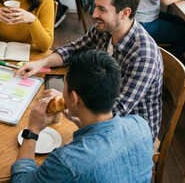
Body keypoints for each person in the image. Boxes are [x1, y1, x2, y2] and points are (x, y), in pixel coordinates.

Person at [16, 0, 163, 140]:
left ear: (125, 13)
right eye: (95, 7)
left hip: (131, 134)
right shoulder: (105, 29)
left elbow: (116, 112)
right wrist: (40, 63)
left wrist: (67, 101)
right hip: (99, 110)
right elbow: (73, 50)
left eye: (102, 9)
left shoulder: (144, 56)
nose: (94, 14)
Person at [11, 49, 154, 182]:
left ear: (74, 98)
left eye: (64, 85)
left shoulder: (67, 161)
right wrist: (78, 120)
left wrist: (32, 130)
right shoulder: (140, 125)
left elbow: (20, 180)